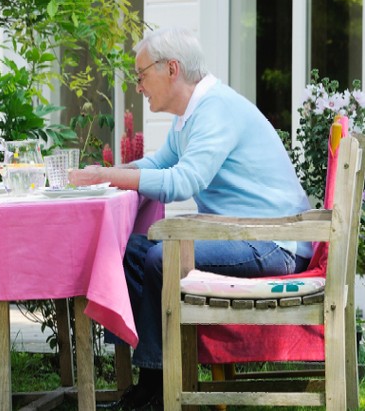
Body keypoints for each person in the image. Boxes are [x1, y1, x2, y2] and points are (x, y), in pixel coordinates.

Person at [69, 27, 312, 410]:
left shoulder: (215, 110)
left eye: (141, 75)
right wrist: (103, 174)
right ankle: (154, 382)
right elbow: (159, 164)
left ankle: (157, 389)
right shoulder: (191, 114)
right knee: (128, 252)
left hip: (272, 242)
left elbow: (183, 181)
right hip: (240, 235)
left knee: (160, 257)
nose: (139, 86)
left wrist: (108, 175)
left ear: (172, 69)